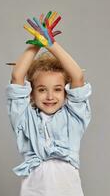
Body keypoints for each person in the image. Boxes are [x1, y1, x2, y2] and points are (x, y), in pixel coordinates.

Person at [6, 11, 92, 196]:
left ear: (66, 92)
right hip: (33, 190)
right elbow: (17, 76)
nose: (50, 96)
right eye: (42, 89)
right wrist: (36, 45)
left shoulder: (74, 119)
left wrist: (51, 44)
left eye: (57, 89)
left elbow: (77, 76)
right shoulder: (24, 119)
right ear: (32, 93)